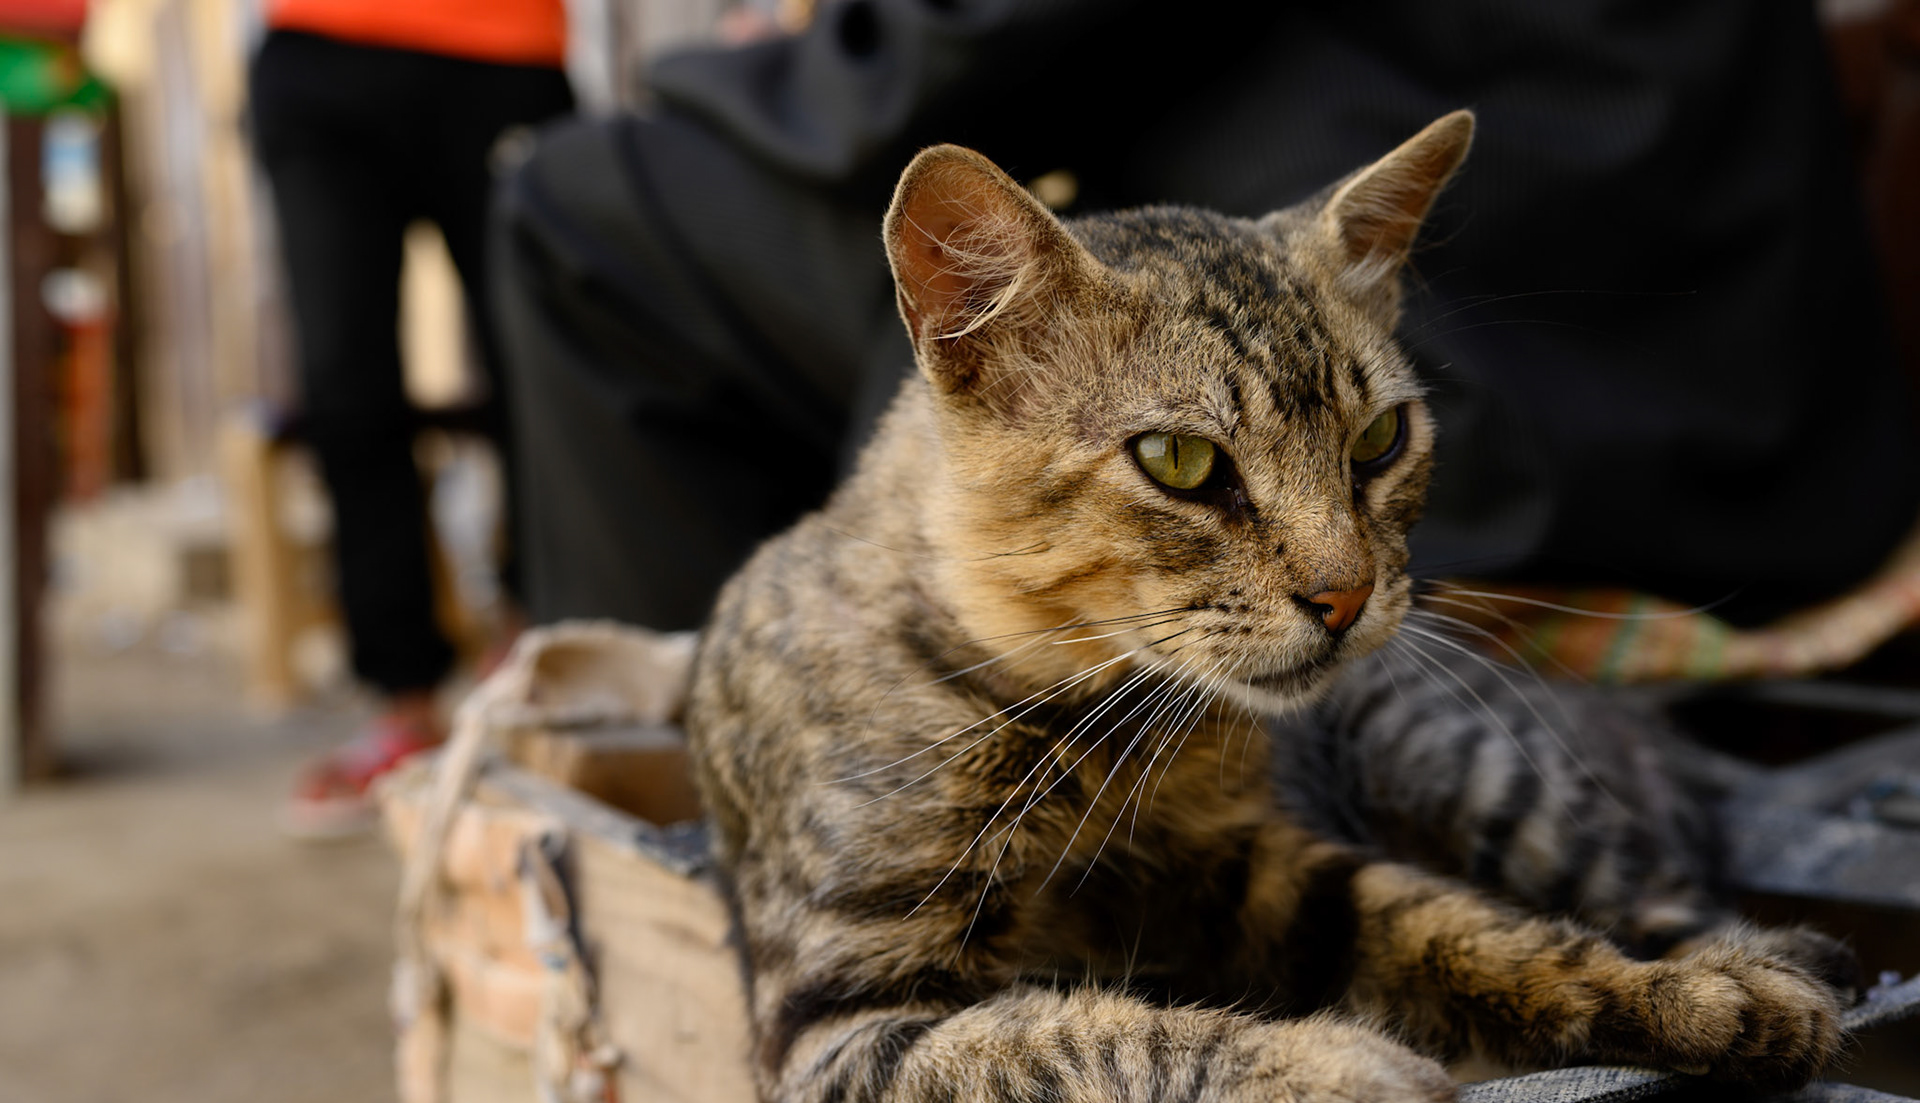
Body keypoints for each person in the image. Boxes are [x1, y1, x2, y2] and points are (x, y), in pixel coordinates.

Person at [491, 0, 1918, 639]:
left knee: (585, 201)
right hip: (1776, 413)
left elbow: (953, 48)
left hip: (1485, 428)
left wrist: (759, 71)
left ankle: (683, 848)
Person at [250, 0, 574, 836]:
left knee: (549, 366)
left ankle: (541, 661)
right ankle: (403, 704)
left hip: (505, 45)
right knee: (347, 390)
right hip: (321, 48)